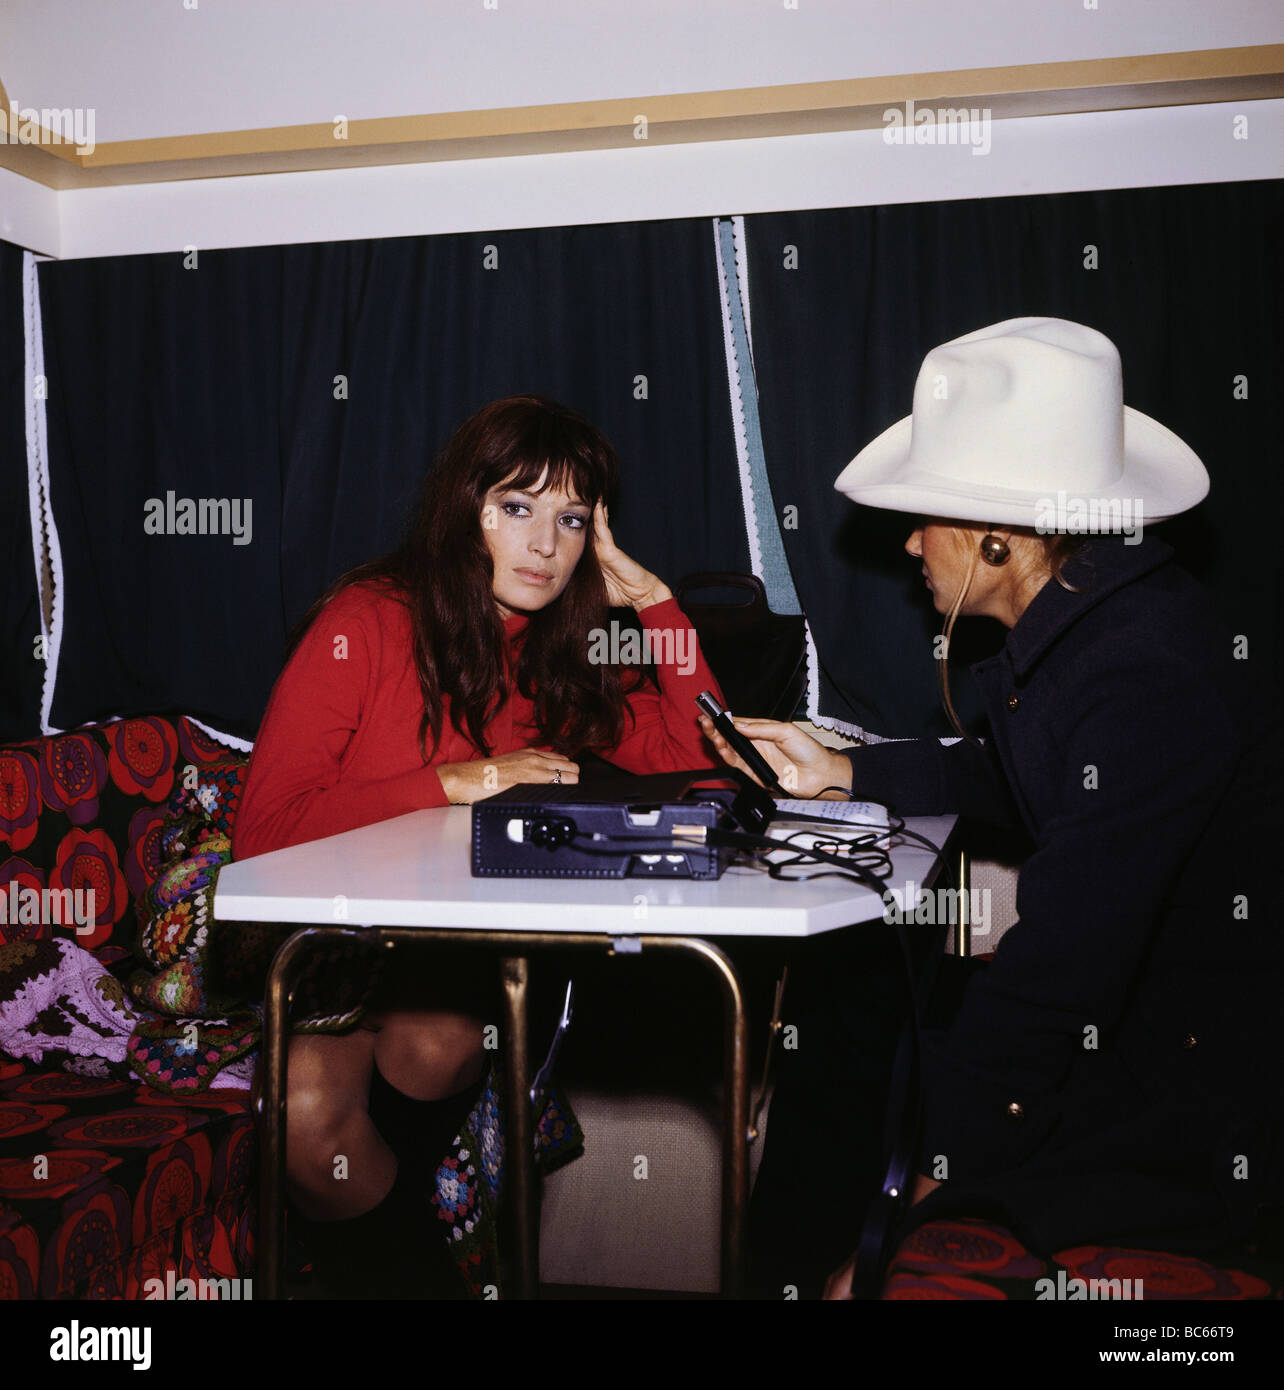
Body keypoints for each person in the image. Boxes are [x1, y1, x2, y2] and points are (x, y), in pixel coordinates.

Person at [700, 318, 1284, 1300]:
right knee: (855, 1066)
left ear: (1002, 542)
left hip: (1199, 1117)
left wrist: (938, 1189)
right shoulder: (1096, 622)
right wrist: (843, 776)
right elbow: (1016, 779)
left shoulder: (1143, 674)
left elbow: (1063, 966)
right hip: (1144, 1061)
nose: (910, 541)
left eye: (930, 515)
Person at [232, 394, 725, 1297]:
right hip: (326, 945)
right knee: (310, 1120)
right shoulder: (367, 621)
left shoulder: (559, 651)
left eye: (571, 519)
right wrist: (457, 781)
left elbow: (701, 760)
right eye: (516, 507)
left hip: (439, 954)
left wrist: (654, 604)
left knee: (447, 1038)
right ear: (465, 509)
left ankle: (388, 1243)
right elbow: (260, 834)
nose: (545, 544)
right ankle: (415, 1267)